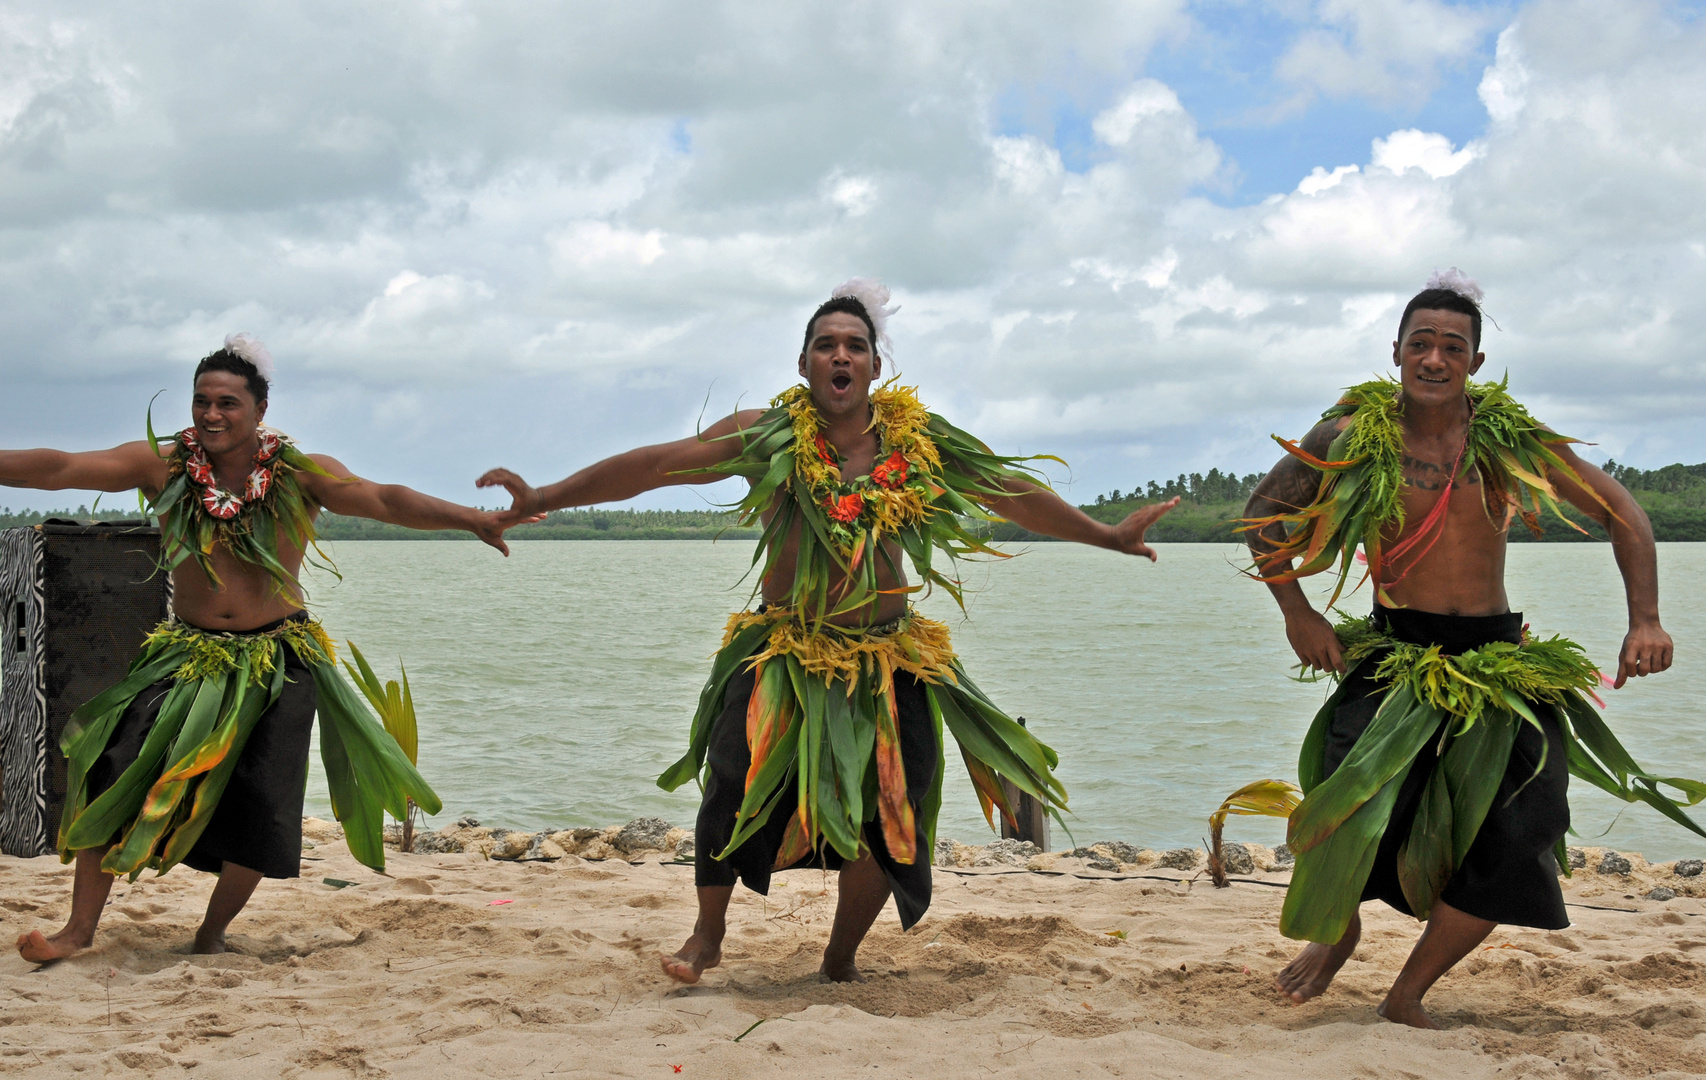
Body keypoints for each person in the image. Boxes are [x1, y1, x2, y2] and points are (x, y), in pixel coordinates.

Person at [478, 279, 1178, 983]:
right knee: (731, 788)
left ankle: (839, 958)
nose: (840, 355)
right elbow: (653, 467)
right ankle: (706, 936)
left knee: (894, 813)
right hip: (784, 650)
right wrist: (545, 496)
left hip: (887, 658)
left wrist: (1104, 534)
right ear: (804, 364)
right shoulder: (764, 436)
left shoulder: (921, 444)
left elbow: (1012, 494)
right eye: (826, 345)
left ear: (875, 366)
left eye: (855, 345)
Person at [1239, 269, 1701, 1028]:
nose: (1434, 359)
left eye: (1453, 347)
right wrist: (1296, 612)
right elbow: (1264, 515)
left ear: (1475, 363)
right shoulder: (1351, 436)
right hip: (1396, 654)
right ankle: (1340, 931)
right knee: (1340, 814)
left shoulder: (1504, 442)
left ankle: (1407, 993)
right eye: (1421, 343)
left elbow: (1623, 511)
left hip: (1495, 660)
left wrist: (1644, 618)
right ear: (1395, 351)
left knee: (1524, 835)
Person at [4, 334, 523, 963]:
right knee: (109, 767)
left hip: (277, 661)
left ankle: (211, 933)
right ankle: (78, 931)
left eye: (227, 403)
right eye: (202, 402)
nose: (211, 415)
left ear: (259, 408)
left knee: (261, 809)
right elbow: (59, 469)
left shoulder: (300, 473)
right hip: (187, 655)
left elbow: (383, 499)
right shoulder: (164, 464)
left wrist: (471, 517)